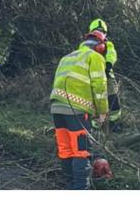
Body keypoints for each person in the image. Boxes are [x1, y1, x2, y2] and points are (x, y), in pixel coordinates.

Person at [50, 29, 109, 190]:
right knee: (81, 150)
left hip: (56, 108)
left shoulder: (67, 57)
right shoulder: (95, 57)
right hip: (76, 109)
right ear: (100, 46)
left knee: (65, 149)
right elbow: (100, 87)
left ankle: (69, 185)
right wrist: (102, 111)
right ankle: (81, 188)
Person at [88, 18, 122, 130]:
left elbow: (111, 54)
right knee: (95, 101)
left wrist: (108, 64)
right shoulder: (86, 45)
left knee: (112, 99)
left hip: (107, 76)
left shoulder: (108, 44)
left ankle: (114, 123)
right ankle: (96, 125)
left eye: (101, 31)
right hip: (93, 76)